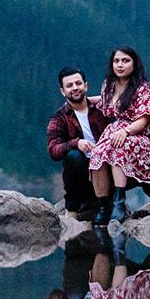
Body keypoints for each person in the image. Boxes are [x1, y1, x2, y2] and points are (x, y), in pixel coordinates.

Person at [87, 47, 150, 225]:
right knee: (98, 153)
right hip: (116, 133)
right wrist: (83, 100)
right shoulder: (109, 85)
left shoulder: (144, 88)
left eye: (125, 61)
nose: (120, 65)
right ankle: (104, 207)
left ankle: (119, 203)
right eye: (116, 61)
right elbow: (104, 102)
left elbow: (144, 120)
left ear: (134, 64)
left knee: (120, 147)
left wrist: (126, 131)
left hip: (143, 137)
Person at [48, 67, 109, 218]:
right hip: (82, 173)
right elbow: (53, 150)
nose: (75, 88)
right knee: (73, 156)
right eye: (69, 85)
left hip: (106, 168)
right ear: (63, 91)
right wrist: (76, 143)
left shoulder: (102, 108)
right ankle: (72, 211)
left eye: (78, 83)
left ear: (86, 86)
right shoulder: (59, 117)